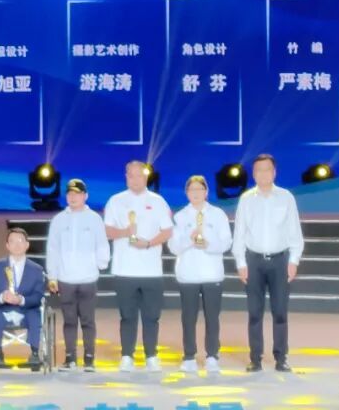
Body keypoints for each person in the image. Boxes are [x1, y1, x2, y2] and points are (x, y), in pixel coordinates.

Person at [232, 154, 304, 373]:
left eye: (267, 169)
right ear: (254, 174)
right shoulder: (246, 199)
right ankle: (255, 358)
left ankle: (281, 358)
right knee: (255, 313)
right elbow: (239, 233)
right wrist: (240, 263)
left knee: (280, 311)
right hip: (253, 261)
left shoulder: (286, 197)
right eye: (259, 170)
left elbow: (294, 231)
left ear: (274, 172)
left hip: (280, 260)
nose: (263, 174)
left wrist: (293, 260)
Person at [104, 160, 174, 373]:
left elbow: (167, 231)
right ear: (126, 177)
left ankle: (151, 355)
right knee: (127, 316)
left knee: (152, 316)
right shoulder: (116, 201)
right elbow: (107, 231)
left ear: (146, 177)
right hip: (124, 270)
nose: (135, 179)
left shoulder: (158, 201)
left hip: (151, 271)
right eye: (131, 175)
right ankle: (127, 356)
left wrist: (148, 243)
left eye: (139, 175)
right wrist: (125, 232)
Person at [167, 175, 232, 374]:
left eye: (199, 189)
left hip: (212, 275)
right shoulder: (180, 217)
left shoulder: (218, 214)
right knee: (188, 318)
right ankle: (189, 357)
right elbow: (173, 246)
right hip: (188, 275)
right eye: (192, 190)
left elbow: (226, 242)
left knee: (212, 318)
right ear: (187, 193)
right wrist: (190, 240)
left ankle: (212, 356)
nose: (196, 193)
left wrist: (208, 245)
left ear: (206, 192)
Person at [45, 178, 110, 372]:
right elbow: (53, 249)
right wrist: (52, 276)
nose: (73, 197)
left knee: (88, 321)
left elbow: (102, 244)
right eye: (70, 194)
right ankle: (70, 358)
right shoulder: (59, 220)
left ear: (85, 196)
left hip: (88, 278)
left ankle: (89, 359)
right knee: (69, 321)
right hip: (66, 279)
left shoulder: (94, 219)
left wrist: (101, 264)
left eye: (77, 194)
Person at [0, 227, 46, 368]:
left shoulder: (36, 270)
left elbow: (38, 295)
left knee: (35, 314)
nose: (17, 245)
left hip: (26, 309)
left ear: (27, 245)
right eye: (13, 241)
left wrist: (21, 300)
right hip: (2, 308)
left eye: (20, 241)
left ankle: (34, 354)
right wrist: (1, 297)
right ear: (7, 245)